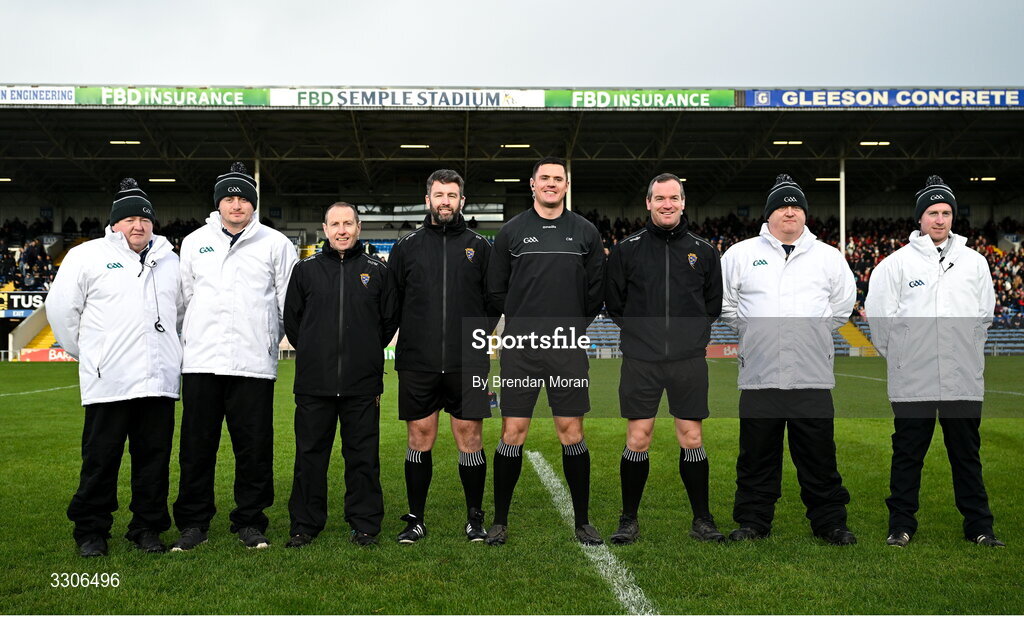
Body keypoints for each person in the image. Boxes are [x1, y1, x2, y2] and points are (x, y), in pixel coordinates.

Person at [865, 175, 1004, 548]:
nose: (940, 219)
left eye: (945, 212)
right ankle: (900, 524)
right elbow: (879, 319)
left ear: (952, 217)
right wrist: (903, 358)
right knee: (908, 454)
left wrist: (967, 352)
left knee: (966, 456)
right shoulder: (895, 265)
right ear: (920, 218)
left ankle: (979, 527)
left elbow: (983, 317)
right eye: (932, 212)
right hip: (914, 379)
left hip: (962, 378)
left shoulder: (974, 263)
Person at [46, 179, 182, 557]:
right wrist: (94, 355)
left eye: (144, 219)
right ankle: (91, 531)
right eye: (130, 219)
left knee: (153, 462)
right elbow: (61, 313)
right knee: (101, 461)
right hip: (110, 382)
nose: (138, 225)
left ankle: (147, 528)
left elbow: (181, 315)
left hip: (158, 382)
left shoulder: (171, 260)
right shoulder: (86, 256)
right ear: (114, 223)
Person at [720, 173, 857, 545]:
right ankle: (752, 522)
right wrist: (753, 331)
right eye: (782, 205)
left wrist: (810, 334)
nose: (789, 212)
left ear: (805, 214)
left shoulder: (828, 257)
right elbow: (725, 304)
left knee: (819, 458)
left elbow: (842, 306)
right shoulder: (740, 254)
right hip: (760, 377)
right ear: (768, 214)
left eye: (796, 205)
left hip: (811, 377)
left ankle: (830, 523)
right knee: (756, 458)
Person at [171, 162, 298, 551]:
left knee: (254, 449)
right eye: (229, 197)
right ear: (218, 203)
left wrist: (263, 339)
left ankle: (250, 521)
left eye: (243, 198)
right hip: (201, 363)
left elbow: (286, 305)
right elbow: (185, 300)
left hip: (252, 365)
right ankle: (193, 523)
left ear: (253, 204)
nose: (237, 204)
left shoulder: (276, 244)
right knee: (196, 449)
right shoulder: (194, 242)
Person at [485, 156, 605, 546]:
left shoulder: (585, 232)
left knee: (571, 432)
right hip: (521, 349)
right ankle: (500, 521)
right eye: (545, 178)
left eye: (558, 178)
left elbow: (594, 294)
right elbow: (497, 290)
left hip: (567, 349)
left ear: (565, 186)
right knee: (512, 431)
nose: (551, 184)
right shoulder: (511, 232)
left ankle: (583, 521)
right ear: (532, 185)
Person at [604, 173, 725, 545]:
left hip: (688, 361)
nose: (667, 204)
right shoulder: (628, 249)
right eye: (660, 198)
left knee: (691, 437)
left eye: (674, 198)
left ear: (684, 202)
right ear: (648, 203)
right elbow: (615, 303)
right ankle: (629, 520)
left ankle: (702, 520)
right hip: (642, 360)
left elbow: (712, 305)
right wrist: (645, 337)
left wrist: (688, 339)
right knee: (638, 438)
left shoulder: (704, 251)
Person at [387, 170, 499, 543]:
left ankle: (474, 518)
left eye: (452, 195)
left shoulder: (480, 247)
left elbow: (493, 301)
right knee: (420, 436)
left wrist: (474, 340)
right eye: (439, 195)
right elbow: (394, 303)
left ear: (462, 201)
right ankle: (415, 518)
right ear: (427, 199)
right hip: (418, 361)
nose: (445, 201)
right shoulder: (407, 247)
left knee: (469, 436)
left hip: (467, 360)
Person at [283, 202, 398, 548]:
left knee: (363, 457)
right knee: (309, 457)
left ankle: (364, 525)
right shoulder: (305, 270)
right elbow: (293, 322)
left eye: (348, 223)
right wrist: (318, 354)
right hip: (314, 384)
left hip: (361, 384)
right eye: (336, 224)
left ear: (359, 228)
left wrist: (361, 355)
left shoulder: (377, 271)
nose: (342, 230)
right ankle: (305, 525)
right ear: (325, 228)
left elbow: (388, 321)